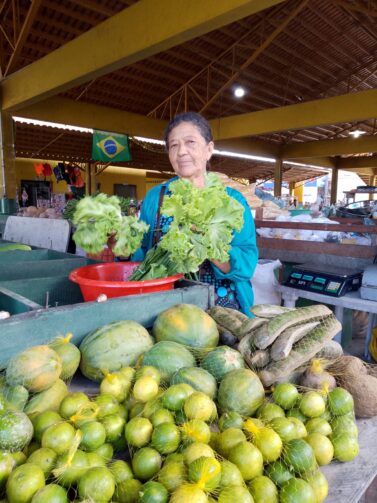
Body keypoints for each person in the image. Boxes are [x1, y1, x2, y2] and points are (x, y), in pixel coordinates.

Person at [133, 112, 258, 316]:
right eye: (173, 145)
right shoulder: (156, 197)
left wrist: (205, 241)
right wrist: (122, 249)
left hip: (224, 310)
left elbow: (246, 264)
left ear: (209, 149)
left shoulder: (232, 201)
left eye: (190, 142)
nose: (181, 151)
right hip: (164, 309)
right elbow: (140, 254)